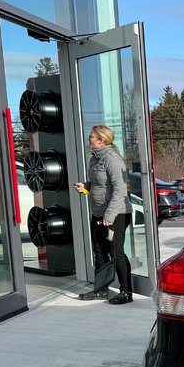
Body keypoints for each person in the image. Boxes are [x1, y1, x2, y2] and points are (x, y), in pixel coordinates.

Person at [74, 125, 133, 304]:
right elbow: (99, 184)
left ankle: (126, 292)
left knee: (116, 252)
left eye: (91, 137)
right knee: (99, 252)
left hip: (117, 215)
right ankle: (101, 290)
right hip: (99, 213)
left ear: (101, 140)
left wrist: (110, 215)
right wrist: (86, 187)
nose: (89, 139)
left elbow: (120, 190)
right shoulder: (94, 159)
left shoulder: (113, 160)